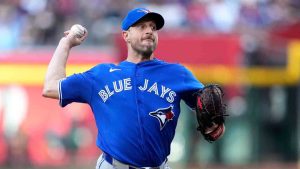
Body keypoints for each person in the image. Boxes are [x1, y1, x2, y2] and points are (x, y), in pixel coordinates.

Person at [43, 7, 224, 169]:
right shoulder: (101, 75)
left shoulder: (177, 73)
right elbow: (50, 87)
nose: (149, 31)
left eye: (153, 28)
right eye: (142, 27)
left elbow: (207, 105)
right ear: (126, 35)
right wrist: (65, 44)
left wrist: (214, 123)